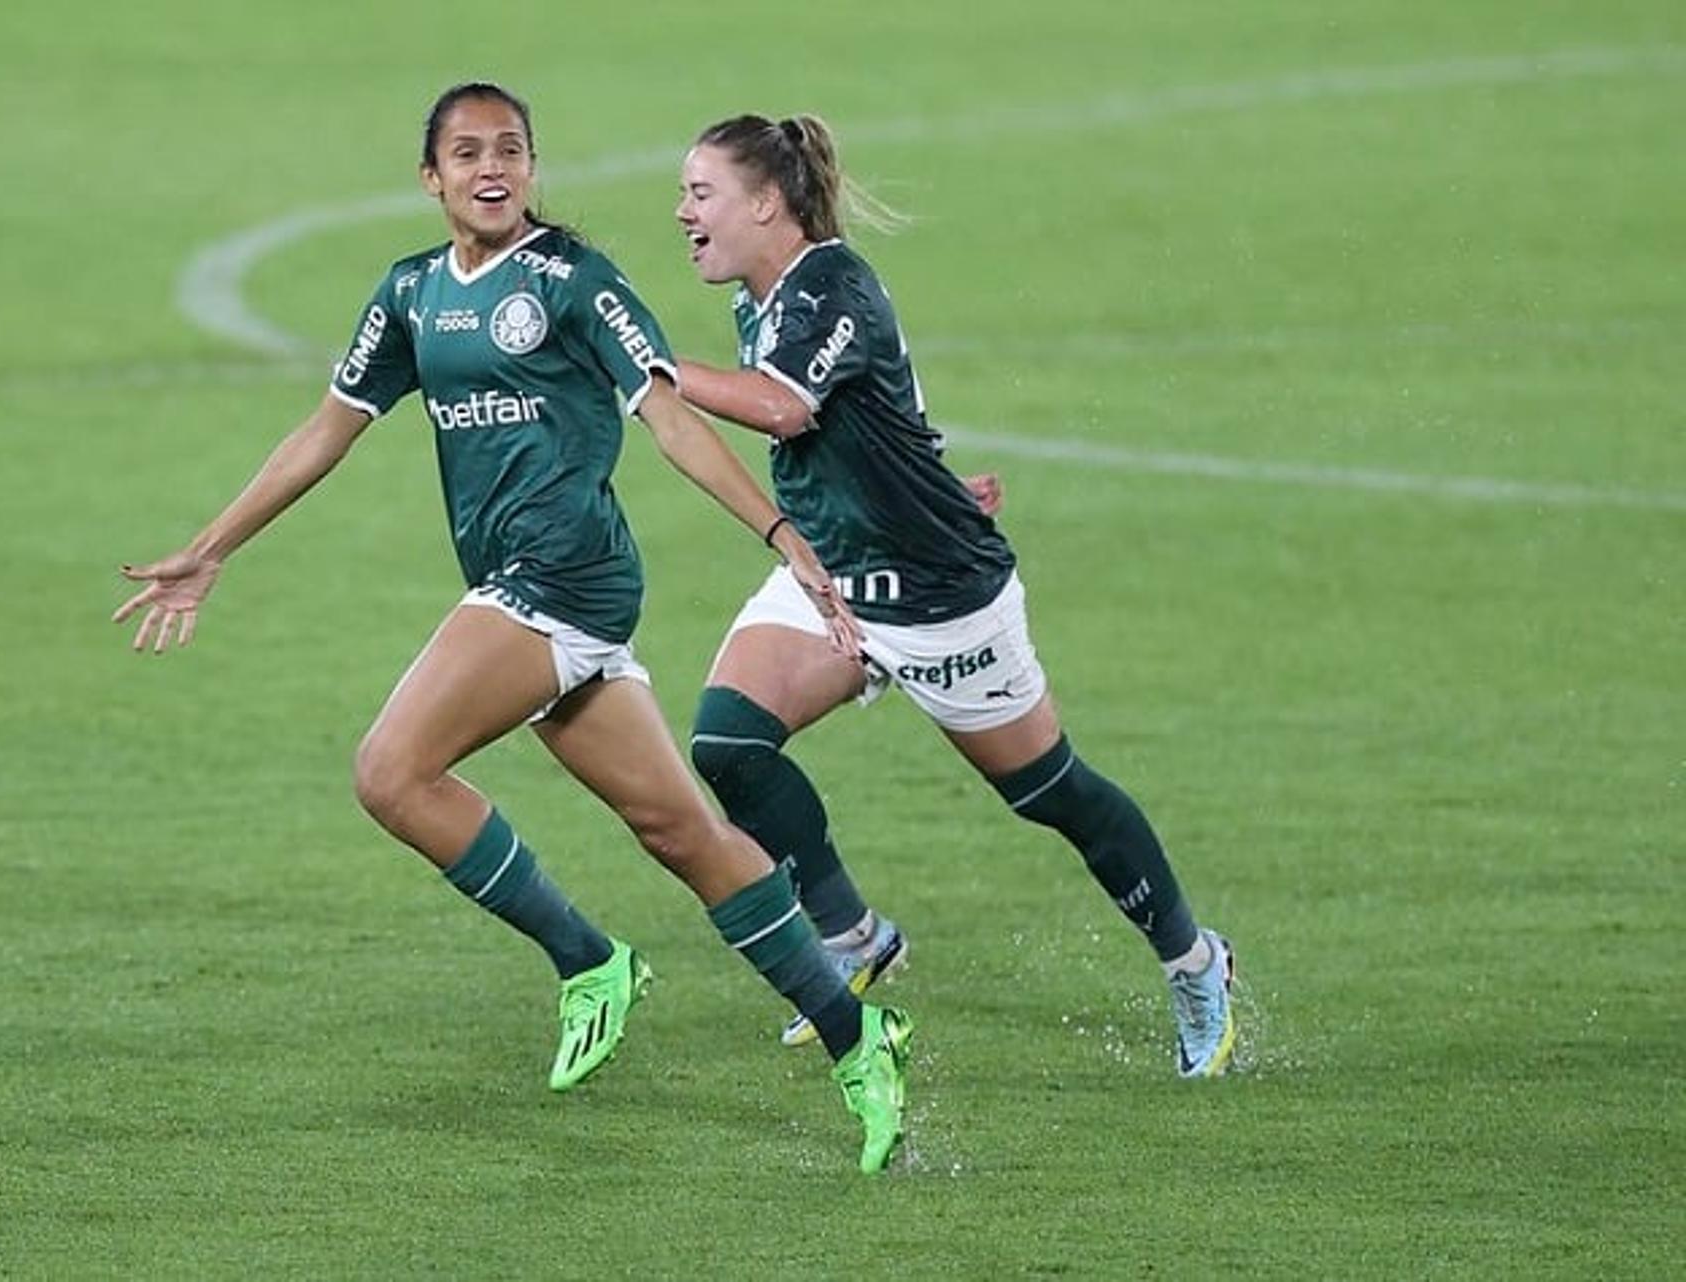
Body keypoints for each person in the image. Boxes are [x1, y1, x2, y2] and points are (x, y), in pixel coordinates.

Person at [113, 84, 913, 1171]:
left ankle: (590, 961)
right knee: (684, 834)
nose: (492, 168)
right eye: (466, 152)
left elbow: (670, 418)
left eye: (512, 150)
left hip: (565, 578)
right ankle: (854, 1030)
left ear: (533, 170)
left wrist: (783, 536)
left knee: (392, 771)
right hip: (520, 585)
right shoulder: (409, 295)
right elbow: (325, 430)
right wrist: (213, 545)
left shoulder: (575, 284)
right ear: (431, 178)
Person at [670, 113, 1236, 1077]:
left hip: (941, 597)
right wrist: (925, 485)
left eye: (700, 193)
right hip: (836, 576)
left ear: (766, 202)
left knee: (1051, 793)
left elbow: (786, 406)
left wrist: (644, 362)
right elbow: (875, 418)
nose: (683, 214)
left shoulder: (832, 280)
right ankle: (850, 937)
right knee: (727, 741)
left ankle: (1194, 961)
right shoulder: (759, 298)